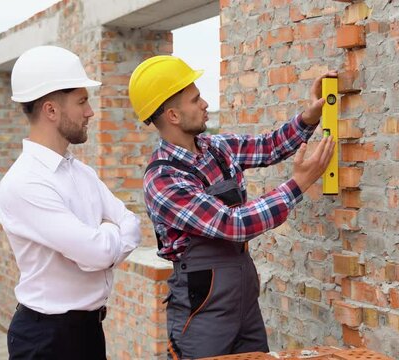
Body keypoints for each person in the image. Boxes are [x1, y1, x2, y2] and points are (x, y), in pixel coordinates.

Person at [128, 55, 336, 359]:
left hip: (243, 300)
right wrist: (297, 185)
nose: (205, 104)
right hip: (202, 312)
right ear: (173, 116)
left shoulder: (216, 148)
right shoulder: (163, 179)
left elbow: (268, 146)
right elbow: (232, 225)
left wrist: (309, 118)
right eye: (195, 99)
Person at [0, 45, 142, 360]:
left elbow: (131, 222)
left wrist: (101, 245)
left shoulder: (82, 172)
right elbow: (97, 252)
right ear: (51, 110)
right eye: (82, 101)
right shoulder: (24, 183)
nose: (90, 111)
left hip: (89, 331)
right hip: (46, 341)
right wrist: (104, 243)